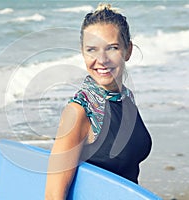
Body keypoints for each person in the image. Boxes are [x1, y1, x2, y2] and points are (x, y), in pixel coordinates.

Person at [45, 3, 152, 200]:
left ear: (128, 51)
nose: (101, 60)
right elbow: (53, 195)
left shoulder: (126, 98)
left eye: (111, 48)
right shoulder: (79, 111)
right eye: (92, 50)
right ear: (82, 52)